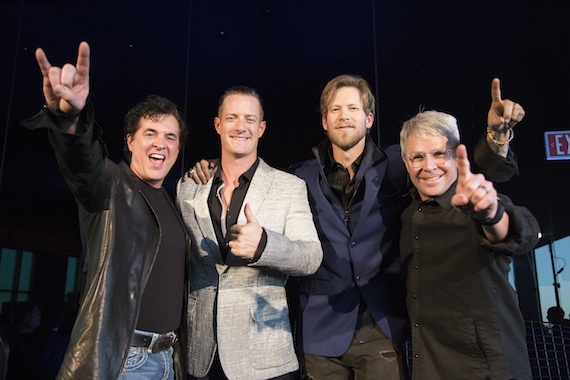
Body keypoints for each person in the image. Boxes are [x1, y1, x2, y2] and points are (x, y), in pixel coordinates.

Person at [190, 75, 524, 379]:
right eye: (335, 109)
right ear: (324, 121)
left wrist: (496, 137)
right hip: (321, 327)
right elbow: (254, 176)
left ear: (369, 119)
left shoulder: (399, 163)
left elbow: (459, 168)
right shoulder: (298, 176)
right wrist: (213, 167)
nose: (344, 115)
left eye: (353, 107)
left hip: (382, 325)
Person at [21, 42, 189, 379]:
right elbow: (82, 162)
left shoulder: (175, 203)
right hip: (124, 360)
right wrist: (70, 118)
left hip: (168, 360)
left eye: (171, 137)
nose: (161, 143)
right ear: (129, 141)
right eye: (150, 133)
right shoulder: (111, 186)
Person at [176, 86, 323, 380]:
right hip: (201, 353)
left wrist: (264, 245)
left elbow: (311, 256)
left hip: (263, 352)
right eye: (232, 118)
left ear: (261, 128)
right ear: (218, 125)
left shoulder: (288, 186)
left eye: (249, 119)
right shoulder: (188, 185)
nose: (240, 126)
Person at [398, 110, 540, 379]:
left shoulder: (475, 203)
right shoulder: (406, 214)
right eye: (418, 156)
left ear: (455, 155)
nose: (429, 166)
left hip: (490, 370)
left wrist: (491, 214)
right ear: (406, 163)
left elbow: (519, 233)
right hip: (428, 367)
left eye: (439, 154)